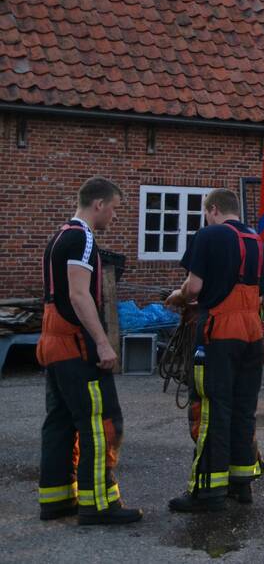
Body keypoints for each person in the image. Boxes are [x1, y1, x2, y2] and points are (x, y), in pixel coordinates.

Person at [37, 177, 143, 525]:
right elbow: (79, 294)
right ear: (98, 204)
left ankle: (56, 499)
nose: (113, 216)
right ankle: (99, 504)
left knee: (60, 421)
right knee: (101, 421)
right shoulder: (83, 237)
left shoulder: (58, 236)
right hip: (76, 345)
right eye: (113, 208)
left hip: (53, 342)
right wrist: (102, 342)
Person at [165, 188, 264, 512]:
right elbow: (261, 295)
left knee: (212, 408)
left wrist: (179, 296)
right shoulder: (256, 241)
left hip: (219, 333)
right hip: (252, 334)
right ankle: (241, 484)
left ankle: (207, 491)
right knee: (242, 407)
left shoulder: (208, 235)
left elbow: (194, 287)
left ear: (212, 209)